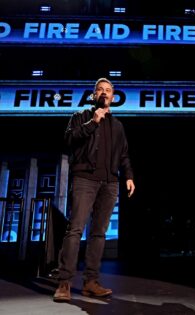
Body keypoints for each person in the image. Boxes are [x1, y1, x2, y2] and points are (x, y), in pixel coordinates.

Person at [53, 78, 135, 302]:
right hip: (85, 179)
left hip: (110, 183)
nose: (104, 93)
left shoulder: (118, 125)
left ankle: (91, 282)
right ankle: (64, 283)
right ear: (93, 95)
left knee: (99, 233)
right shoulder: (81, 116)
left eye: (108, 90)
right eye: (100, 90)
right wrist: (93, 123)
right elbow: (70, 139)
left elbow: (124, 154)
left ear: (113, 96)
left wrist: (128, 176)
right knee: (76, 229)